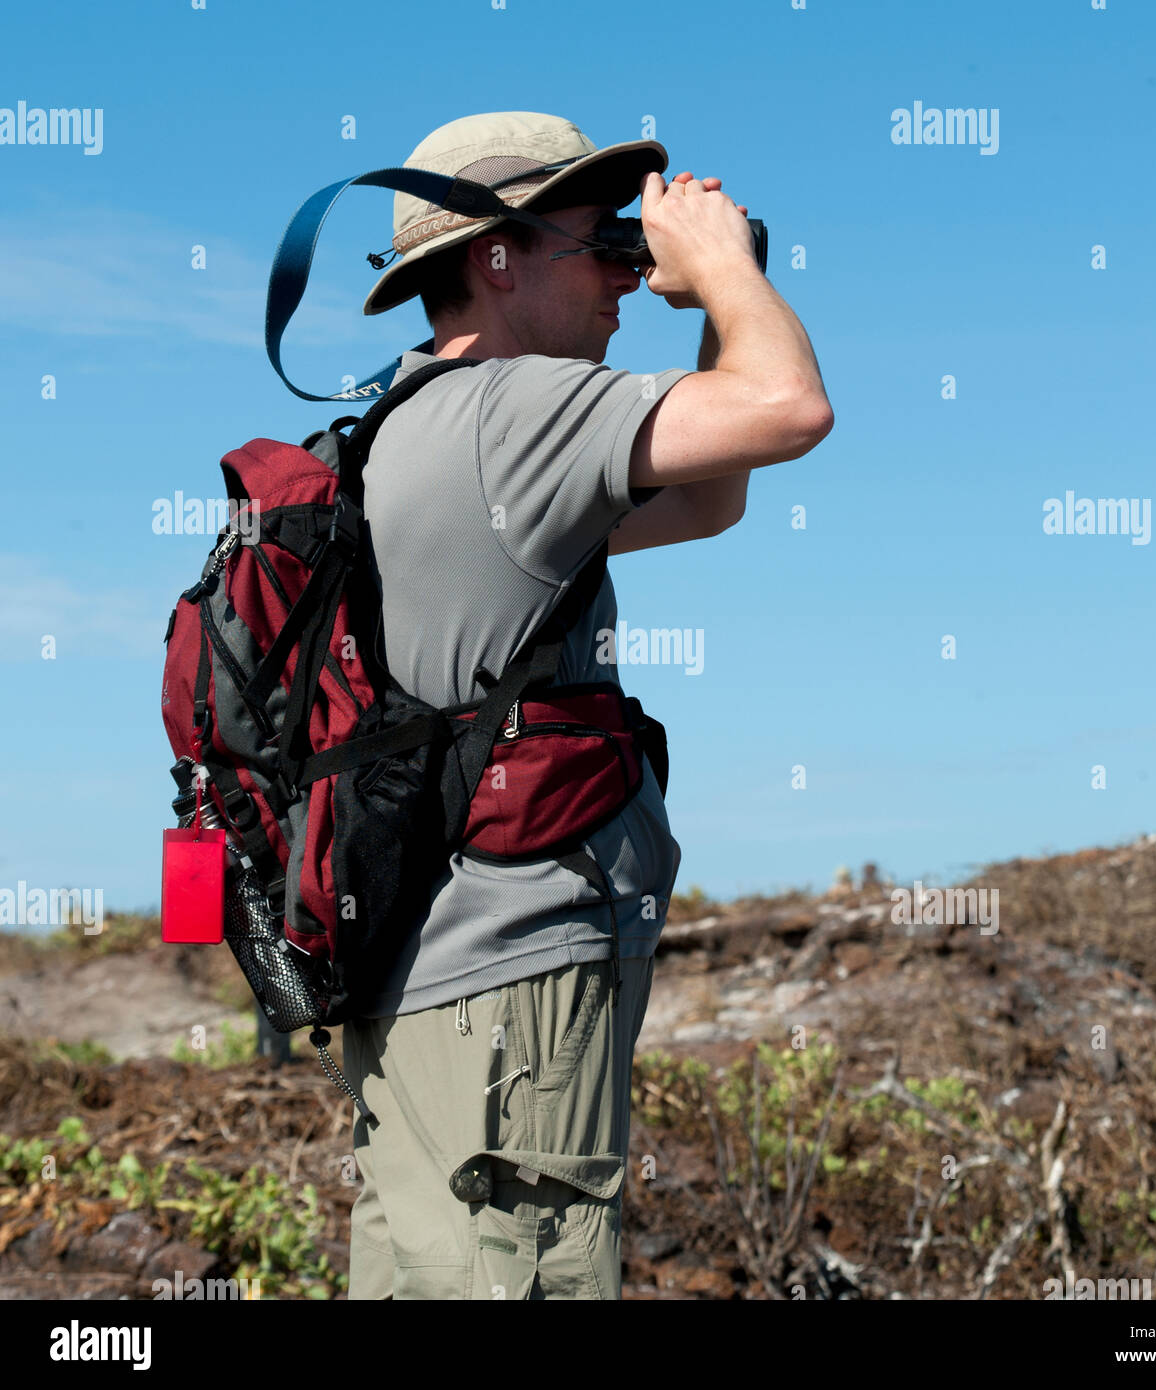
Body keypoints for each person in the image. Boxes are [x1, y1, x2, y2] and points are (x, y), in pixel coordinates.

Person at [340, 110, 833, 1301]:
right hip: (510, 989)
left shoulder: (417, 421)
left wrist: (706, 297)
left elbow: (712, 499)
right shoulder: (514, 409)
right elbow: (788, 409)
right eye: (593, 240)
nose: (624, 271)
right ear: (495, 258)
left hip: (431, 986)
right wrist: (722, 265)